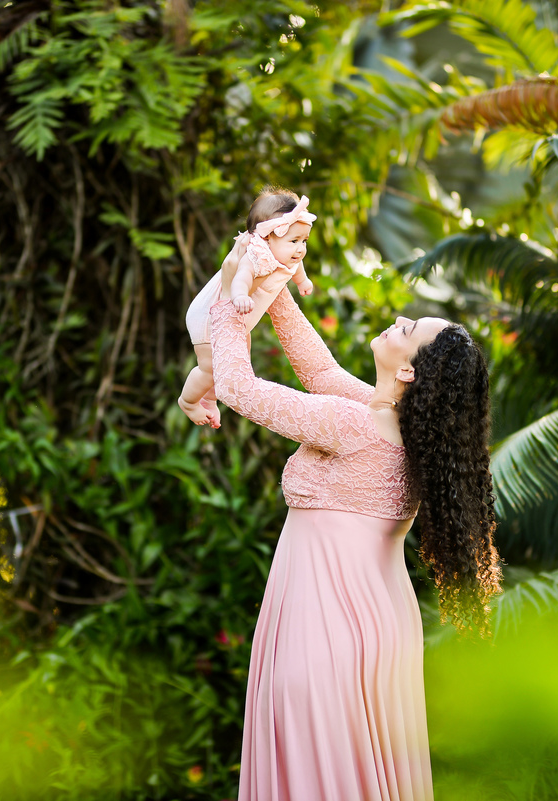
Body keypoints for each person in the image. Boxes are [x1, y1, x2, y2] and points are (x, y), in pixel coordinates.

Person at [208, 275, 503, 801]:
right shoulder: (402, 428)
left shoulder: (351, 424)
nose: (396, 321)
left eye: (407, 327)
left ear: (409, 369)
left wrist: (233, 298)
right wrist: (273, 284)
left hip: (325, 627)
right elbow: (317, 370)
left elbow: (236, 388)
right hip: (372, 629)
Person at [178, 188, 316, 429]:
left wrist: (302, 281)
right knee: (209, 367)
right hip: (209, 316)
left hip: (236, 321)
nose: (300, 249)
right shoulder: (257, 255)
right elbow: (242, 276)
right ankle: (188, 402)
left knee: (231, 363)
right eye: (294, 241)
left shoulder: (288, 255)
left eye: (303, 241)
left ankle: (210, 401)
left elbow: (298, 265)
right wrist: (239, 294)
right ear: (266, 238)